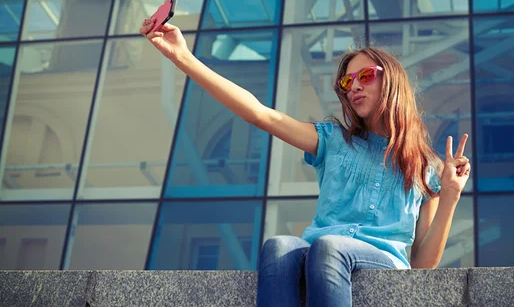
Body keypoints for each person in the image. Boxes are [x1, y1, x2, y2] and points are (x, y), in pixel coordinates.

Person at [139, 18, 471, 307]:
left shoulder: (425, 168)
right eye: (347, 82)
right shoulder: (333, 140)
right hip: (321, 254)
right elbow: (260, 114)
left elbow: (422, 266)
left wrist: (451, 197)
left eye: (366, 76)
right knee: (279, 246)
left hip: (379, 261)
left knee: (330, 248)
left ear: (391, 81)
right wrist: (182, 57)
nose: (354, 86)